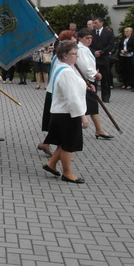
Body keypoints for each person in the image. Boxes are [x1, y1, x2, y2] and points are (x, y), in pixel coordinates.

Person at [42, 40, 89, 184]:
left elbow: (75, 87)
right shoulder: (66, 72)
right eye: (74, 54)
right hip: (67, 114)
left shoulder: (63, 68)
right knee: (69, 144)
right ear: (64, 55)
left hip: (61, 112)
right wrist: (83, 117)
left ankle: (51, 164)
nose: (77, 56)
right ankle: (67, 173)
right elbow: (72, 97)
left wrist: (85, 87)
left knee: (63, 142)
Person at [37, 30, 77, 157]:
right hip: (56, 92)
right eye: (73, 38)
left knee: (54, 125)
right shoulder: (61, 60)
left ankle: (48, 145)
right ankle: (58, 150)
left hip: (53, 91)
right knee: (57, 125)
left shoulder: (58, 57)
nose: (75, 40)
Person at [77, 28, 113, 139]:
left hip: (89, 81)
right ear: (80, 38)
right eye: (86, 38)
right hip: (85, 81)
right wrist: (95, 74)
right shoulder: (81, 49)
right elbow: (84, 66)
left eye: (90, 38)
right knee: (83, 106)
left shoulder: (86, 48)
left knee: (93, 105)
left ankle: (99, 129)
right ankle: (95, 129)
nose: (89, 40)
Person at [90, 17, 114, 102]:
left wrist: (101, 52)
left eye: (96, 23)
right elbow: (88, 45)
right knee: (93, 77)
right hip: (94, 58)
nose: (94, 24)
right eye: (93, 23)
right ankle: (94, 96)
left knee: (105, 78)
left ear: (101, 23)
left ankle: (106, 97)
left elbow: (111, 45)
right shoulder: (91, 33)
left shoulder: (108, 33)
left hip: (104, 58)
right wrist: (94, 52)